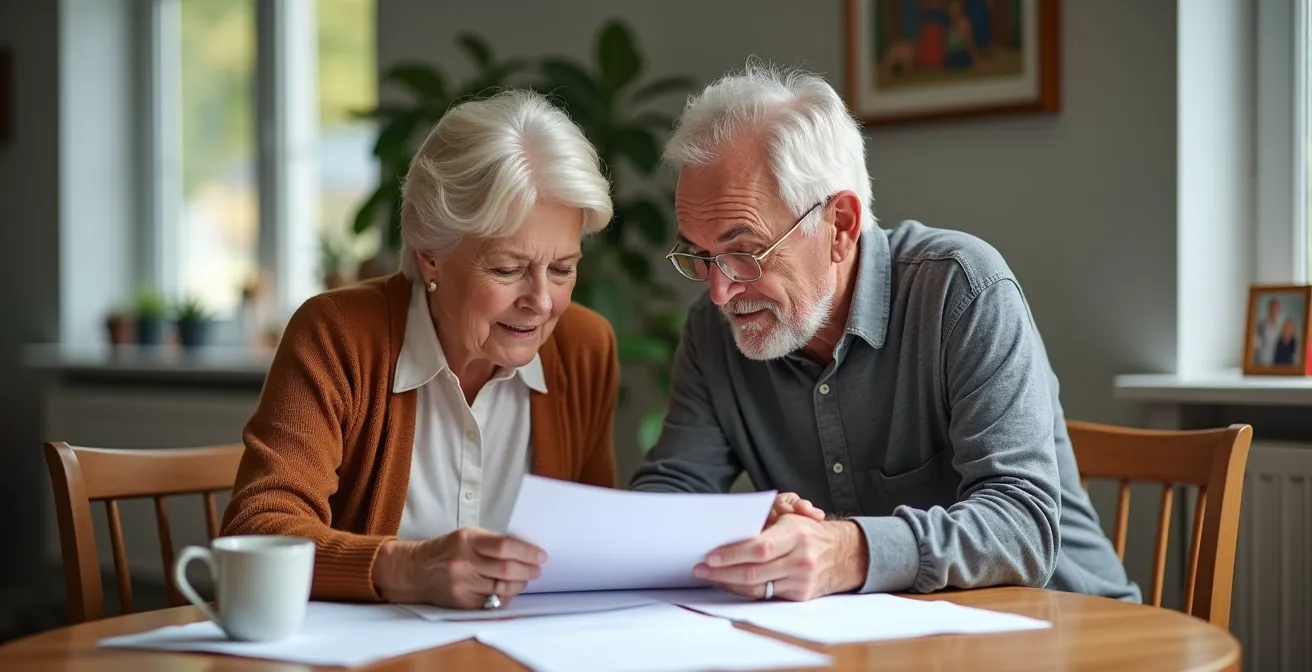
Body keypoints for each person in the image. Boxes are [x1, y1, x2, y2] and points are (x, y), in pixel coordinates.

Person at [630, 61, 1140, 604]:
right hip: (890, 641)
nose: (719, 293)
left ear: (841, 226)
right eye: (701, 256)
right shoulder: (713, 333)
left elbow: (1022, 525)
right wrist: (746, 521)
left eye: (745, 252)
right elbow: (669, 497)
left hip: (1066, 631)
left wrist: (848, 550)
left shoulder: (961, 291)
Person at [222, 90, 620, 610]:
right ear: (431, 257)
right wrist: (406, 568)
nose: (541, 302)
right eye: (507, 269)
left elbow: (593, 546)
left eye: (563, 268)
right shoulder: (338, 335)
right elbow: (260, 529)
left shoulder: (585, 349)